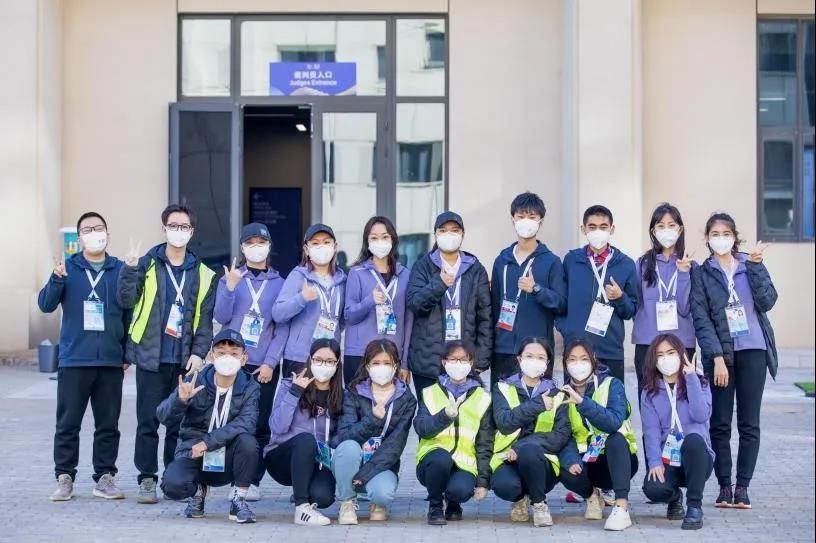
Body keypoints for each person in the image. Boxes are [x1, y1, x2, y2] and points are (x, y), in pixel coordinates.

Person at [117, 203, 216, 504]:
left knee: (178, 424)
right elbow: (126, 300)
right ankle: (147, 478)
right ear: (164, 229)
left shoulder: (202, 273)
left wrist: (200, 353)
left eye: (184, 227)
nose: (178, 231)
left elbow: (205, 320)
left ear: (192, 232)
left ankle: (173, 477)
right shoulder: (146, 263)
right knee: (148, 422)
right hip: (151, 357)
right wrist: (129, 269)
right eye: (173, 226)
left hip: (184, 360)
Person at [39, 212, 129, 501]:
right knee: (68, 424)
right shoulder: (68, 268)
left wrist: (126, 351)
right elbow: (45, 305)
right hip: (74, 360)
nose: (94, 233)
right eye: (87, 230)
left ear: (107, 234)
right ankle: (64, 477)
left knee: (108, 426)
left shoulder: (119, 269)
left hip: (110, 361)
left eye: (99, 228)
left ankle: (104, 478)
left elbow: (129, 313)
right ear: (79, 238)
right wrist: (56, 278)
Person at [690, 212, 777, 509]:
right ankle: (724, 486)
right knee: (720, 423)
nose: (721, 239)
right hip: (721, 357)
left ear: (735, 236)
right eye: (715, 234)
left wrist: (757, 268)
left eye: (726, 233)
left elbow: (768, 301)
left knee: (749, 423)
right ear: (707, 239)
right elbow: (701, 319)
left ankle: (743, 487)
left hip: (754, 350)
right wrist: (716, 357)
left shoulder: (750, 264)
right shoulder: (702, 273)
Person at [214, 222, 286, 500]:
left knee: (260, 424)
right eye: (250, 243)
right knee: (232, 421)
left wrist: (270, 363)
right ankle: (233, 477)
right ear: (242, 248)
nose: (256, 248)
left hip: (263, 366)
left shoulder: (280, 283)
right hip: (232, 363)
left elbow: (281, 329)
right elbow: (221, 316)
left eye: (261, 242)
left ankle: (252, 481)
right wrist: (230, 287)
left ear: (269, 246)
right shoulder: (230, 278)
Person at [158, 329, 260, 524]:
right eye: (221, 353)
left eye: (234, 353)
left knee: (248, 442)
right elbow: (163, 416)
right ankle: (197, 492)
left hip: (228, 455)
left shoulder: (250, 386)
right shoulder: (195, 380)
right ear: (212, 356)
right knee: (172, 485)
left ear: (243, 359)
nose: (227, 358)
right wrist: (180, 401)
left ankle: (238, 500)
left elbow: (247, 422)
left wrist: (208, 442)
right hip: (194, 452)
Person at [406, 211, 492, 398]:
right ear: (436, 234)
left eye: (454, 230)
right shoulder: (423, 266)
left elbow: (485, 317)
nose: (449, 235)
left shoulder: (475, 269)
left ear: (462, 234)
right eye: (443, 230)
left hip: (463, 361)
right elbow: (415, 304)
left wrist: (481, 359)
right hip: (428, 363)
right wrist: (439, 284)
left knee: (463, 414)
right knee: (430, 413)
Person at [557, 338, 639, 531]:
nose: (578, 364)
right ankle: (591, 495)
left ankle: (621, 507)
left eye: (584, 358)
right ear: (565, 363)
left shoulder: (612, 385)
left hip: (617, 461)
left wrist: (582, 403)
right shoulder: (561, 394)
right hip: (586, 462)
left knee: (616, 439)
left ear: (593, 359)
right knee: (561, 466)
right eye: (572, 359)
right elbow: (563, 435)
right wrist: (570, 460)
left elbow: (613, 422)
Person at [333, 339, 417, 524]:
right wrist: (372, 419)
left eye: (387, 363)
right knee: (348, 447)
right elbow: (345, 436)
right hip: (353, 458)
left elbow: (395, 445)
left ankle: (376, 502)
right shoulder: (353, 392)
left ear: (395, 365)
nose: (382, 368)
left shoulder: (407, 399)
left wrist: (364, 475)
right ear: (367, 365)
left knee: (383, 495)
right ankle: (347, 502)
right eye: (376, 363)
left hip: (382, 463)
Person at [490, 337, 571, 527]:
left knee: (529, 452)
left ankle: (539, 503)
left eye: (540, 357)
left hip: (542, 463)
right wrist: (537, 404)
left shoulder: (558, 394)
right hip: (507, 458)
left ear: (548, 362)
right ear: (519, 359)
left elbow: (561, 435)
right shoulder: (502, 388)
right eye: (529, 356)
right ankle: (520, 499)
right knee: (505, 486)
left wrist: (521, 447)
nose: (534, 361)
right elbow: (504, 423)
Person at [264, 338, 343, 526]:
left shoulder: (340, 395)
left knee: (323, 497)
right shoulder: (290, 385)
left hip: (317, 460)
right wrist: (295, 392)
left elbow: (339, 435)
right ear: (310, 359)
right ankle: (301, 507)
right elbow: (277, 427)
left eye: (329, 361)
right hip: (282, 458)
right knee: (307, 440)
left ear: (337, 364)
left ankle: (304, 491)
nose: (323, 365)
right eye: (318, 360)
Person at [490, 193, 567, 386]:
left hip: (537, 351)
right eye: (521, 216)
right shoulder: (501, 261)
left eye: (532, 217)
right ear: (513, 219)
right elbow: (494, 306)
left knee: (538, 402)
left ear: (541, 221)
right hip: (504, 349)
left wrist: (536, 289)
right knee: (503, 402)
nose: (526, 221)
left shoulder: (551, 262)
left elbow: (561, 304)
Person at [414, 340, 494, 525]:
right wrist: (444, 416)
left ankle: (453, 501)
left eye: (463, 360)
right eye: (453, 359)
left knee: (461, 490)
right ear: (444, 362)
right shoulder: (429, 392)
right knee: (441, 459)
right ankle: (435, 505)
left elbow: (485, 443)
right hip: (433, 460)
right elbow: (422, 429)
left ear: (471, 363)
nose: (458, 364)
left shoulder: (483, 397)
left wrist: (483, 482)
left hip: (464, 463)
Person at [556, 205, 638, 382]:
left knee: (612, 398)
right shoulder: (572, 260)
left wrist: (620, 297)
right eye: (592, 227)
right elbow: (560, 300)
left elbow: (630, 311)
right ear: (583, 229)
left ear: (612, 229)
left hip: (610, 351)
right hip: (576, 351)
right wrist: (566, 329)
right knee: (573, 399)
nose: (597, 231)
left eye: (603, 227)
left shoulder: (626, 264)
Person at [641, 333, 713, 530]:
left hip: (697, 457)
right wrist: (654, 462)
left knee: (694, 440)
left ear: (681, 354)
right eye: (660, 355)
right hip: (668, 457)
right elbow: (651, 430)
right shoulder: (649, 391)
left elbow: (701, 415)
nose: (666, 358)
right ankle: (674, 497)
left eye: (671, 352)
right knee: (653, 488)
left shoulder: (699, 382)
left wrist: (691, 378)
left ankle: (694, 507)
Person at [633, 203, 696, 395]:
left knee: (682, 398)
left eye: (671, 225)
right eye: (661, 226)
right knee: (649, 397)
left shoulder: (691, 265)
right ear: (653, 231)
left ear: (680, 229)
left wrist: (683, 274)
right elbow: (636, 303)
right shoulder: (642, 264)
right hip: (647, 342)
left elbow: (685, 308)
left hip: (681, 342)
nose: (666, 230)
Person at [343, 216, 412, 384]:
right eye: (374, 238)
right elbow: (349, 316)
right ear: (367, 242)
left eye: (385, 237)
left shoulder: (405, 275)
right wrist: (369, 301)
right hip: (360, 354)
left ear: (393, 239)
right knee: (357, 401)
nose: (380, 241)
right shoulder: (356, 273)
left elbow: (408, 321)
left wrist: (404, 362)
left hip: (392, 356)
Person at [271, 224, 346, 376]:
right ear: (306, 249)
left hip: (329, 358)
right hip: (299, 358)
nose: (321, 247)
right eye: (315, 243)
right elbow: (278, 314)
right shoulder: (298, 276)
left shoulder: (343, 280)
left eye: (326, 242)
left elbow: (342, 319)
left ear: (335, 246)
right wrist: (302, 298)